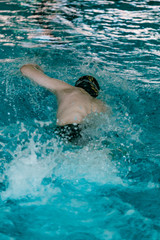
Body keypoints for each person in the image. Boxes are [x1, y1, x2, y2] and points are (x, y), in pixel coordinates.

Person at [20, 64, 107, 143]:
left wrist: (35, 66)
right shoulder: (101, 105)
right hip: (85, 134)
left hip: (66, 130)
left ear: (78, 85)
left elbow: (25, 69)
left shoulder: (67, 89)